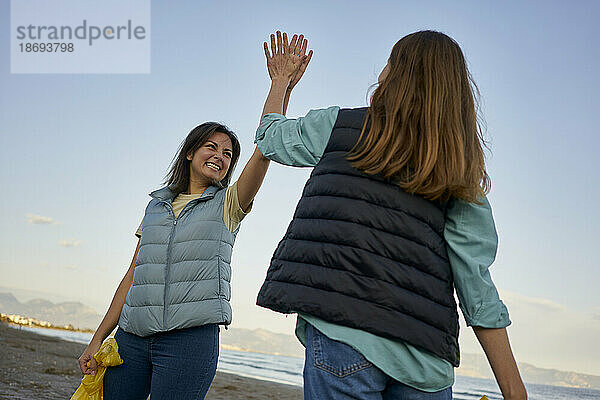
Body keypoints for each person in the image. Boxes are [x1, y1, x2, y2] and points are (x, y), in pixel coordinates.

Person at [256, 31, 528, 399]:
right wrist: (513, 390)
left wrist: (281, 83)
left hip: (343, 336)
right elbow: (477, 289)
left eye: (389, 62)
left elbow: (269, 137)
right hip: (425, 359)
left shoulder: (339, 126)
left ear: (396, 73)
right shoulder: (460, 171)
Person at [77, 121, 271, 399]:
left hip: (189, 342)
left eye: (228, 154)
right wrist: (97, 340)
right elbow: (133, 275)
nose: (220, 156)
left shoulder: (229, 203)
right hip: (131, 337)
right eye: (211, 147)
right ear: (190, 152)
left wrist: (280, 86)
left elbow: (264, 151)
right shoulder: (156, 206)